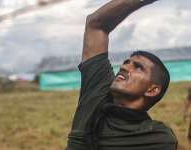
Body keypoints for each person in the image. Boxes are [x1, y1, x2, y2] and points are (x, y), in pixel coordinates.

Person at [66, 0, 178, 150]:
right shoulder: (97, 93)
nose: (125, 66)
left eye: (138, 67)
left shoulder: (159, 139)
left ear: (152, 90)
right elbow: (95, 25)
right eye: (127, 62)